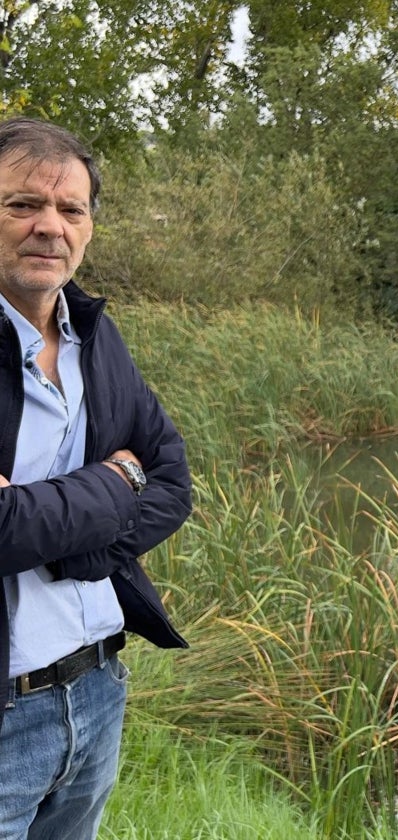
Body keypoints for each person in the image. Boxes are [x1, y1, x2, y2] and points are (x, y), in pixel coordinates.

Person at [0, 117, 191, 839]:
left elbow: (172, 476)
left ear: (88, 227)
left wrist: (75, 548)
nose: (49, 226)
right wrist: (115, 486)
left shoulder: (95, 335)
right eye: (23, 204)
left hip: (98, 690)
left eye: (69, 209)